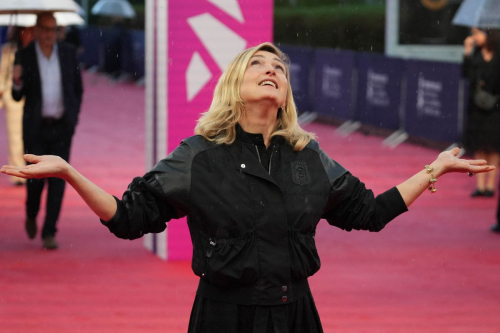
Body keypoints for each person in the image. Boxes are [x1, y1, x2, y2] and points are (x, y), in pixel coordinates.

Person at [1, 43, 495, 332]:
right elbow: (130, 217)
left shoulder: (309, 155)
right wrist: (70, 173)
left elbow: (369, 211)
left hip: (296, 315)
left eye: (279, 68)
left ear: (285, 94)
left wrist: (432, 171)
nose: (271, 71)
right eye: (258, 65)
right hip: (224, 318)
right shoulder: (198, 154)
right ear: (235, 85)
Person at [11, 13, 83, 250]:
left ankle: (50, 231)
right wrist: (17, 80)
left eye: (53, 29)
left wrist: (72, 119)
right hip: (35, 129)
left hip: (62, 127)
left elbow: (77, 89)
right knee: (34, 181)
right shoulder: (24, 55)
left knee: (59, 180)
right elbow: (16, 95)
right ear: (37, 30)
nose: (49, 34)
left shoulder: (68, 53)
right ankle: (31, 213)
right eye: (45, 29)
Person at [462, 27, 500, 198]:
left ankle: (491, 185)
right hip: (477, 107)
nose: (474, 37)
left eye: (477, 33)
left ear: (488, 34)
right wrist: (467, 52)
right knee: (479, 146)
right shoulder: (475, 53)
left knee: (494, 147)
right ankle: (480, 185)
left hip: (496, 107)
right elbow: (465, 74)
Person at [0, 26, 34, 185]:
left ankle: (33, 169)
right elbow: (2, 73)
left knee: (33, 136)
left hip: (33, 97)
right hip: (13, 98)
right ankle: (17, 173)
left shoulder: (36, 49)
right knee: (15, 137)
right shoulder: (8, 50)